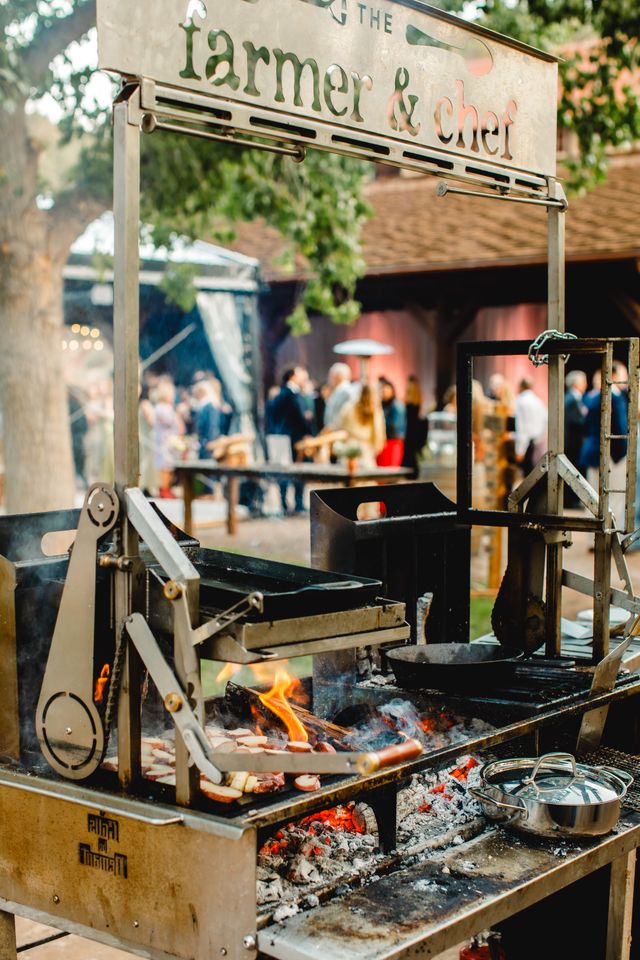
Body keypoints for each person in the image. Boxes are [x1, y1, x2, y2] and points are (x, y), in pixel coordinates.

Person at [580, 368, 628, 528]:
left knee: (593, 496)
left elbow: (585, 425)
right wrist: (623, 453)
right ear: (614, 376)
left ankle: (593, 537)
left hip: (593, 450)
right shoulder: (616, 397)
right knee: (615, 495)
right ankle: (612, 535)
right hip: (613, 454)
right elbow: (620, 428)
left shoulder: (593, 397)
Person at [269, 367, 314, 513]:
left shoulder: (283, 393)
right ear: (292, 376)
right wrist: (308, 428)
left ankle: (288, 503)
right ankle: (296, 503)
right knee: (295, 471)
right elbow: (301, 416)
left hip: (285, 437)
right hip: (293, 438)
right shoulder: (290, 394)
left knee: (289, 472)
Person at [338, 382, 386, 468]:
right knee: (365, 479)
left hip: (350, 450)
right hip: (366, 452)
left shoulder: (348, 408)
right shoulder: (377, 413)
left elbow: (341, 428)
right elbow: (379, 438)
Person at [153, 378, 184, 498]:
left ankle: (168, 488)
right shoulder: (161, 408)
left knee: (170, 466)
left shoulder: (168, 407)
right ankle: (164, 489)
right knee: (165, 467)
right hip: (164, 441)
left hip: (170, 442)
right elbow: (169, 421)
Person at [514, 377, 547, 476]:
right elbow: (545, 420)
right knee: (533, 473)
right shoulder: (538, 401)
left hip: (525, 442)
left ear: (521, 387)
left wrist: (520, 450)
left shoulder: (520, 401)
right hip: (536, 440)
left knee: (525, 474)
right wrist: (539, 438)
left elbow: (521, 426)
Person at [564, 370, 587, 507]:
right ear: (576, 383)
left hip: (573, 443)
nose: (585, 384)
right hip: (572, 443)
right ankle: (570, 501)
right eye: (583, 381)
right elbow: (577, 422)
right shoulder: (573, 399)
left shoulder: (573, 398)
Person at [377, 379, 406, 467]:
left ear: (392, 391)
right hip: (383, 441)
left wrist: (378, 423)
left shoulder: (397, 405)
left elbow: (394, 425)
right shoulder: (381, 405)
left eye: (386, 390)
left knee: (391, 470)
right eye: (382, 390)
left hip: (393, 442)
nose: (384, 392)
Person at [402, 375, 427, 476]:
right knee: (414, 458)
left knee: (408, 457)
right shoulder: (419, 397)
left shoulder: (406, 402)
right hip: (416, 428)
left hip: (409, 430)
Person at [192, 378, 222, 459]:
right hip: (203, 442)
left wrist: (211, 441)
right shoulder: (203, 405)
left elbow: (212, 425)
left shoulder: (210, 406)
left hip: (208, 443)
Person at [324, 362, 355, 429]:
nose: (329, 379)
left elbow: (341, 416)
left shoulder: (346, 392)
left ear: (338, 376)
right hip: (333, 433)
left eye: (331, 376)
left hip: (339, 433)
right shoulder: (338, 391)